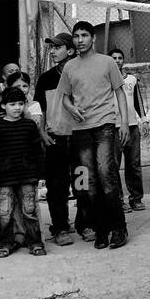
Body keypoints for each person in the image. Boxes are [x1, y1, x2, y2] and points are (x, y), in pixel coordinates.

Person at [55, 21, 129, 250]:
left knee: (107, 175)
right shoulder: (69, 67)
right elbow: (65, 97)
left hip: (105, 125)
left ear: (93, 38)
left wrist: (124, 123)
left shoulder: (107, 62)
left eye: (84, 35)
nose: (80, 40)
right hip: (81, 130)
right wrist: (71, 108)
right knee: (89, 183)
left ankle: (119, 228)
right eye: (76, 36)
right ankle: (101, 229)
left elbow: (120, 92)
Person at [33, 32, 82, 246]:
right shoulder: (46, 78)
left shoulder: (81, 75)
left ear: (70, 51)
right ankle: (60, 228)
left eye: (57, 47)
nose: (52, 51)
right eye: (51, 47)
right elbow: (39, 109)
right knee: (56, 187)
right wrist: (42, 133)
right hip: (56, 140)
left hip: (80, 139)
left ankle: (85, 223)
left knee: (83, 183)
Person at [0, 87, 45, 257]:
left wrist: (41, 176)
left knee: (30, 211)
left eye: (21, 104)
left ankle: (35, 242)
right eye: (12, 104)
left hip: (28, 177)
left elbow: (38, 152)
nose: (17, 107)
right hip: (4, 179)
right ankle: (6, 243)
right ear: (4, 106)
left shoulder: (29, 126)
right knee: (4, 213)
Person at [109, 47, 146, 211]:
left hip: (132, 127)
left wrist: (143, 120)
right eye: (114, 58)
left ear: (123, 60)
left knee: (134, 165)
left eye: (119, 58)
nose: (117, 61)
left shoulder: (132, 79)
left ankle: (136, 199)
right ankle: (119, 201)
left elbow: (138, 102)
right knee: (114, 166)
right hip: (113, 128)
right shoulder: (106, 80)